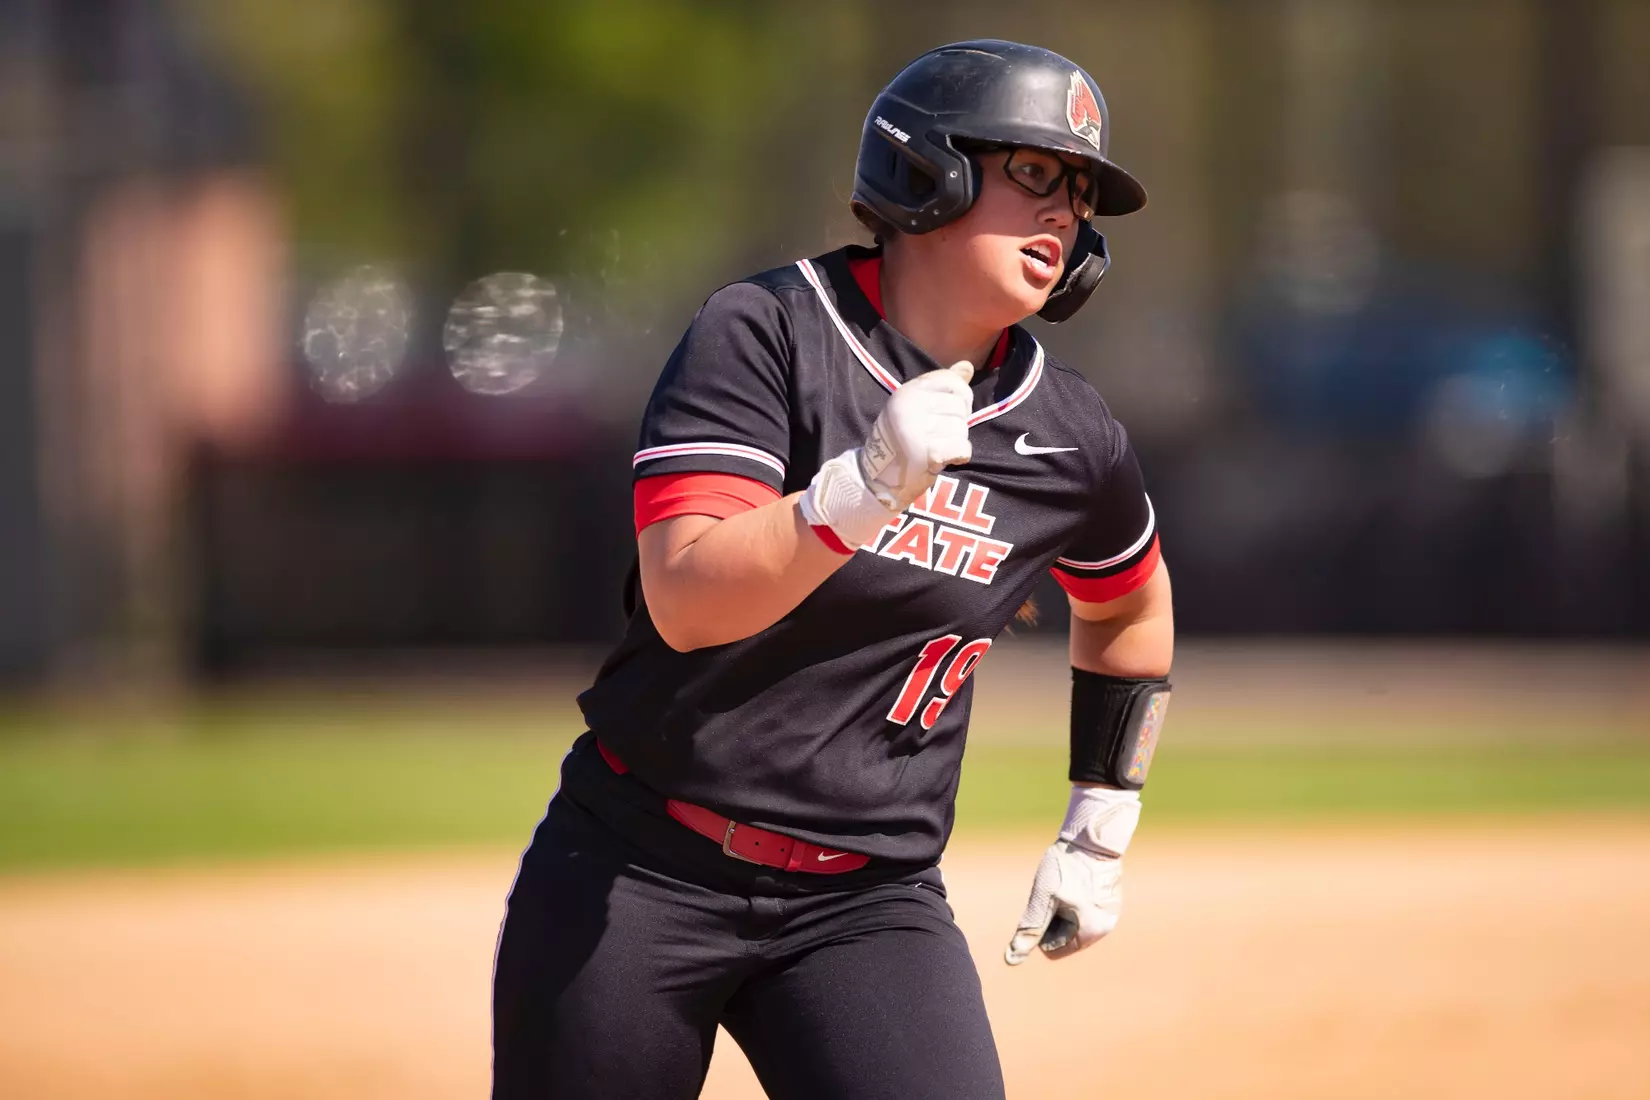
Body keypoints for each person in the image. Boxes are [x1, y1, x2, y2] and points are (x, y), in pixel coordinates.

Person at [492, 38, 1175, 1100]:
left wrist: (1101, 824)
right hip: (638, 864)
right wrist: (859, 488)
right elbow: (683, 596)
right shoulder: (767, 333)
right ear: (929, 169)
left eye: (1078, 194)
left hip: (866, 902)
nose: (1063, 214)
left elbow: (1130, 603)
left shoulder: (1065, 430)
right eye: (1035, 173)